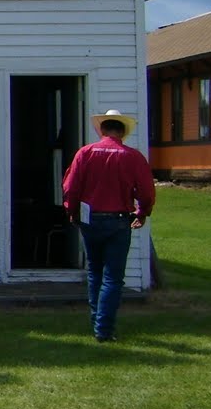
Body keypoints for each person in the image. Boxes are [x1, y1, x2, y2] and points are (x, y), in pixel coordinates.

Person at [61, 109, 156, 342]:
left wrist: (72, 211)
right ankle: (104, 329)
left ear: (102, 130)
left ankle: (97, 320)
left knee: (95, 271)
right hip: (118, 220)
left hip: (91, 218)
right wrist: (142, 212)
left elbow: (71, 187)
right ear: (122, 132)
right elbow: (146, 191)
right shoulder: (132, 156)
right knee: (113, 277)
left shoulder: (85, 153)